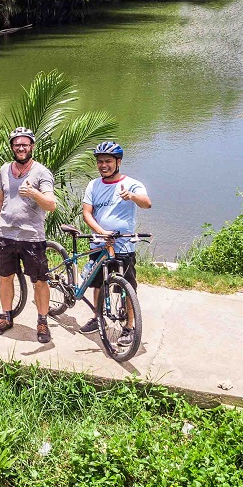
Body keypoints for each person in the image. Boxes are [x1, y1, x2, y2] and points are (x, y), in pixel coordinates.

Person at [0, 127, 57, 343]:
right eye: (17, 144)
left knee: (40, 281)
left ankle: (42, 321)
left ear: (32, 146)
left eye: (25, 144)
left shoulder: (41, 173)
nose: (21, 148)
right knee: (5, 278)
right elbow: (0, 200)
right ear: (12, 147)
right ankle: (6, 316)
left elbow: (51, 205)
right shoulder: (4, 170)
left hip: (32, 237)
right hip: (5, 234)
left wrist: (34, 193)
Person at [78, 141, 152, 345]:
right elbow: (87, 213)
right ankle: (97, 316)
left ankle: (129, 327)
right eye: (100, 161)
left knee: (127, 288)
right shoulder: (93, 185)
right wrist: (101, 232)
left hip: (123, 247)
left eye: (108, 161)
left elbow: (147, 203)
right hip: (100, 244)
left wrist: (132, 196)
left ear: (118, 162)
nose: (103, 165)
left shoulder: (131, 184)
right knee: (98, 284)